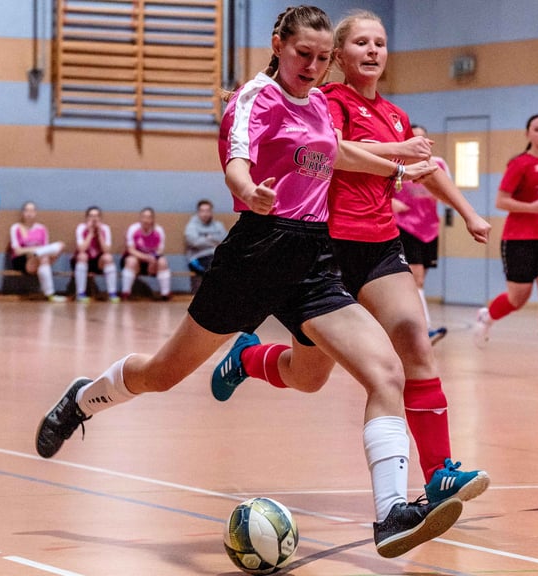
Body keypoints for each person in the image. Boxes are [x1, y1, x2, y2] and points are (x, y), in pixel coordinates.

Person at [36, 5, 462, 559]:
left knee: (383, 373)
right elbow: (236, 160)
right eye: (303, 54)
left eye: (322, 58)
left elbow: (336, 153)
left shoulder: (318, 104)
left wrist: (399, 168)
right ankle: (83, 399)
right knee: (163, 374)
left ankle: (391, 515)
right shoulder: (253, 98)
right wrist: (248, 190)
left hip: (313, 258)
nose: (313, 66)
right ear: (278, 44)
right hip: (256, 253)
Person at [213, 10, 492, 508]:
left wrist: (468, 212)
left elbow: (424, 168)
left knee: (414, 338)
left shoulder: (395, 114)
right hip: (329, 248)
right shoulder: (327, 100)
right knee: (308, 377)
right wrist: (399, 150)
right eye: (361, 42)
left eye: (380, 43)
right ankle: (248, 358)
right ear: (338, 55)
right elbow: (337, 149)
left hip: (381, 245)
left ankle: (439, 473)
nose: (373, 50)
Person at [473, 114, 538, 376]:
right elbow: (501, 201)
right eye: (537, 129)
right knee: (518, 298)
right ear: (528, 133)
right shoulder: (519, 164)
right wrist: (531, 208)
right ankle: (487, 316)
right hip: (519, 239)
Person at [394, 124, 449, 344]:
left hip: (430, 229)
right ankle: (425, 329)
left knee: (419, 279)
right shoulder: (396, 164)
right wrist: (390, 203)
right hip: (405, 226)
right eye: (413, 137)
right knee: (415, 277)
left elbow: (447, 193)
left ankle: (409, 326)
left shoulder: (438, 165)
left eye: (423, 138)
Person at [8, 201, 67, 302]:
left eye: (32, 211)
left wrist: (38, 252)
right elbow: (17, 251)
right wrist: (33, 250)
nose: (29, 213)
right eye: (26, 211)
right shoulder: (16, 227)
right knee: (43, 257)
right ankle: (50, 294)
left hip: (40, 258)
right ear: (22, 213)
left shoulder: (42, 228)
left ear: (35, 213)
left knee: (59, 246)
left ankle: (50, 295)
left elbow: (46, 249)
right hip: (22, 260)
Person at [121, 207, 171, 301]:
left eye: (149, 217)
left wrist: (153, 259)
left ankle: (165, 294)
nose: (146, 220)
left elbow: (160, 250)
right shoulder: (133, 229)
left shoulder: (159, 230)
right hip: (137, 258)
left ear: (152, 219)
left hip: (152, 259)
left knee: (163, 262)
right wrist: (147, 258)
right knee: (131, 261)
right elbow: (131, 250)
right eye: (144, 217)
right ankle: (125, 293)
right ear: (140, 218)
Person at [72, 206, 120, 303]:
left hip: (98, 262)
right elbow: (81, 249)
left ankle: (112, 293)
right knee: (82, 256)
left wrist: (99, 234)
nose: (94, 219)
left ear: (100, 218)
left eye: (97, 216)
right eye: (91, 216)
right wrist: (90, 233)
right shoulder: (81, 228)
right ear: (86, 218)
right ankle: (80, 294)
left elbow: (106, 250)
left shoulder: (105, 229)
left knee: (108, 258)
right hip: (83, 260)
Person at [184, 199, 227, 294]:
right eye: (202, 211)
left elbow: (224, 240)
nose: (205, 214)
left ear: (211, 212)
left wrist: (206, 239)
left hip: (216, 255)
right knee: (214, 266)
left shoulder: (218, 225)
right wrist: (214, 241)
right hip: (198, 258)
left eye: (208, 211)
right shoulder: (192, 226)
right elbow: (194, 242)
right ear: (198, 212)